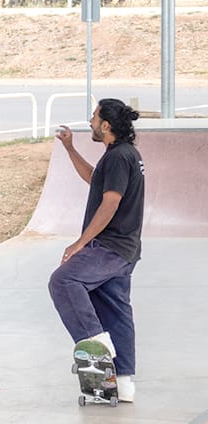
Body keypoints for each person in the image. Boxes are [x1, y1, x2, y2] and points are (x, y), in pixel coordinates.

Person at [48, 99, 145, 402]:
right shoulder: (123, 154)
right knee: (115, 309)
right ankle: (124, 383)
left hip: (111, 246)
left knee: (64, 280)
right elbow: (94, 180)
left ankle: (96, 346)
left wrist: (80, 243)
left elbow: (111, 202)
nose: (90, 121)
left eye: (93, 117)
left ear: (106, 125)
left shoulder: (118, 157)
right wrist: (70, 149)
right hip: (126, 248)